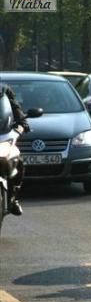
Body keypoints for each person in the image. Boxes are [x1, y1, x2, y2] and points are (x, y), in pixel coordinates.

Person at [0, 85, 30, 215]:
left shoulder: (3, 90)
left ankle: (13, 198)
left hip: (2, 137)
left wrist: (22, 124)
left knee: (19, 162)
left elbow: (16, 110)